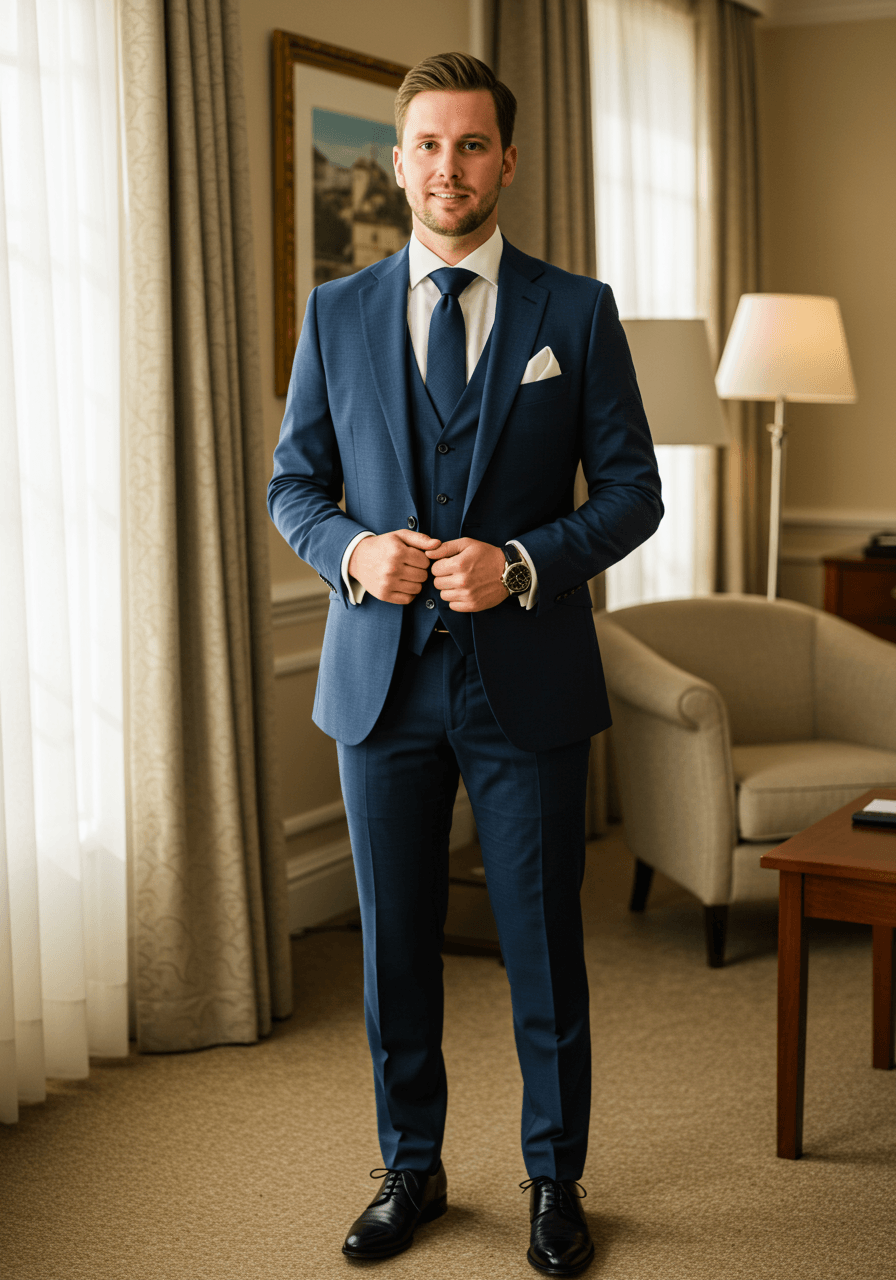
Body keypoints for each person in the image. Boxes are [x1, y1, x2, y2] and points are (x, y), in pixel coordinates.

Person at [268, 52, 662, 1277]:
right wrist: (351, 552)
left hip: (525, 677)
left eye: (471, 145)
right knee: (393, 945)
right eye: (427, 146)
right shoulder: (334, 314)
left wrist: (523, 562)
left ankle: (555, 1178)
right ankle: (412, 1167)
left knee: (544, 944)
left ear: (505, 158)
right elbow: (294, 484)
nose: (449, 168)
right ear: (398, 162)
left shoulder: (574, 311)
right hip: (378, 682)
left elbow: (634, 494)